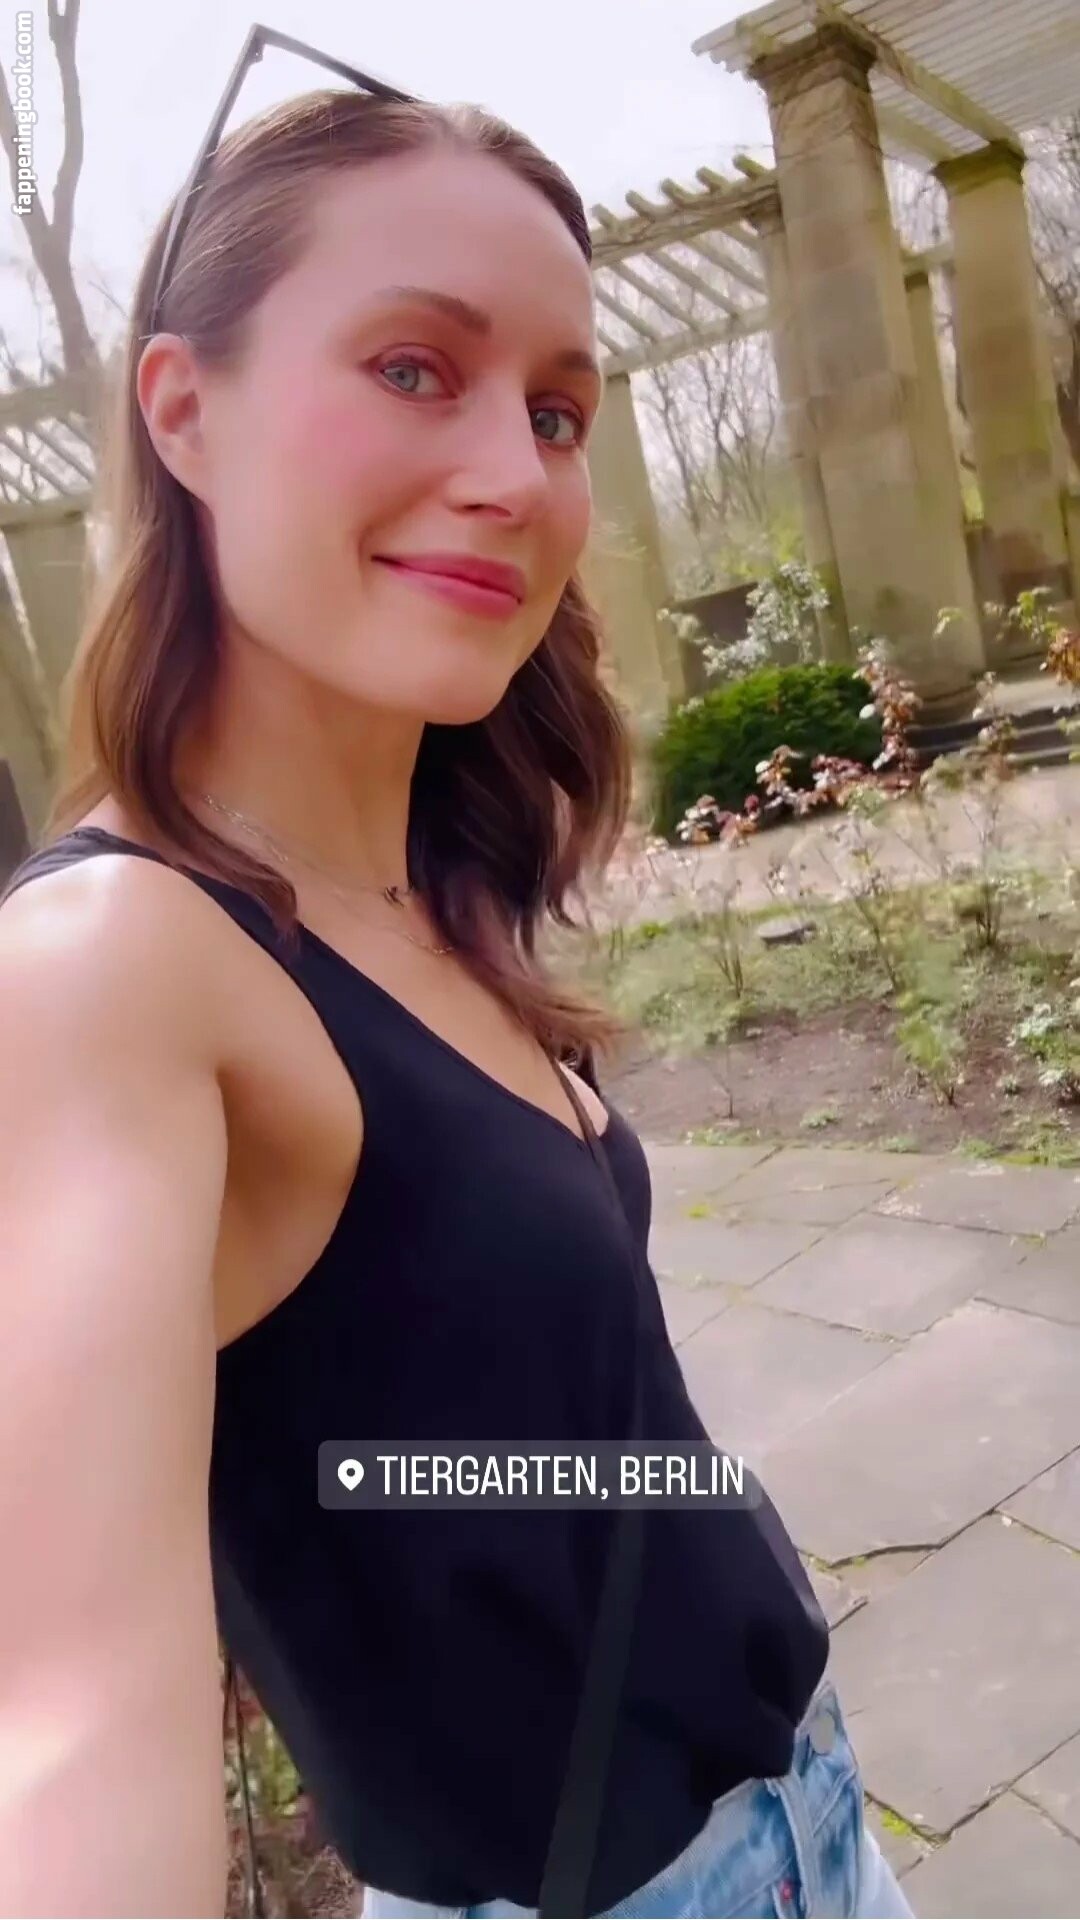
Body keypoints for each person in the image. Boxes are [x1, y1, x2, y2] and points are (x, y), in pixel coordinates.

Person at [0, 74, 913, 1920]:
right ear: (183, 410)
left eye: (559, 410)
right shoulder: (109, 967)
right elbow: (70, 1725)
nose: (516, 473)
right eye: (414, 368)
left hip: (807, 1811)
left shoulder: (428, 884)